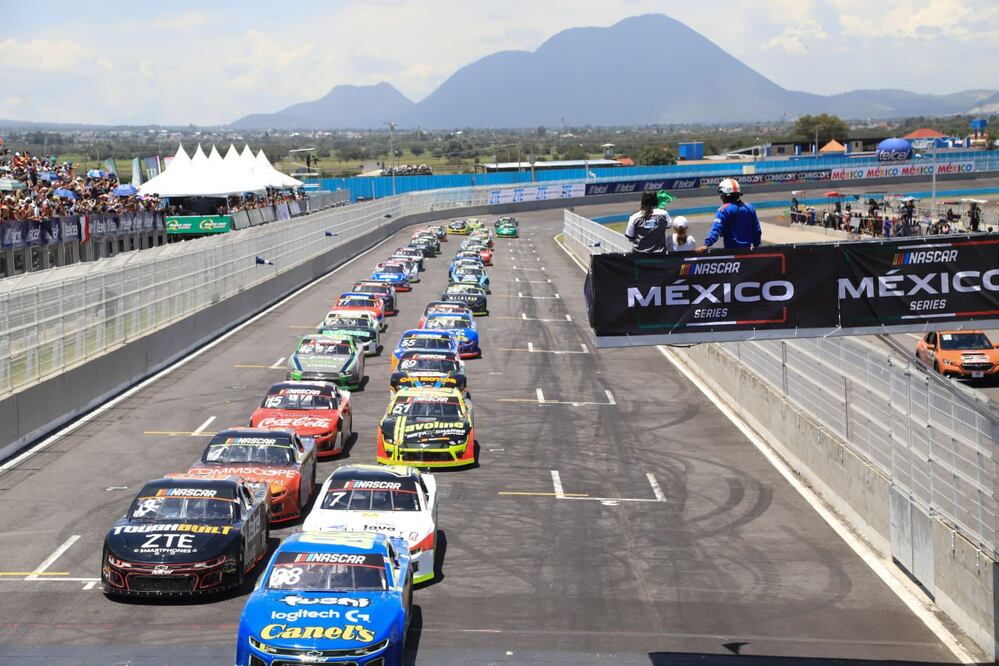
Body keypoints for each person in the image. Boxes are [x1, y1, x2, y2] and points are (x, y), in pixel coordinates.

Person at [697, 179, 761, 253]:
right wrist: (756, 246)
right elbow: (757, 230)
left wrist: (706, 244)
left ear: (725, 195)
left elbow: (716, 230)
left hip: (731, 254)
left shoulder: (724, 210)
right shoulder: (750, 207)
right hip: (748, 253)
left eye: (721, 193)